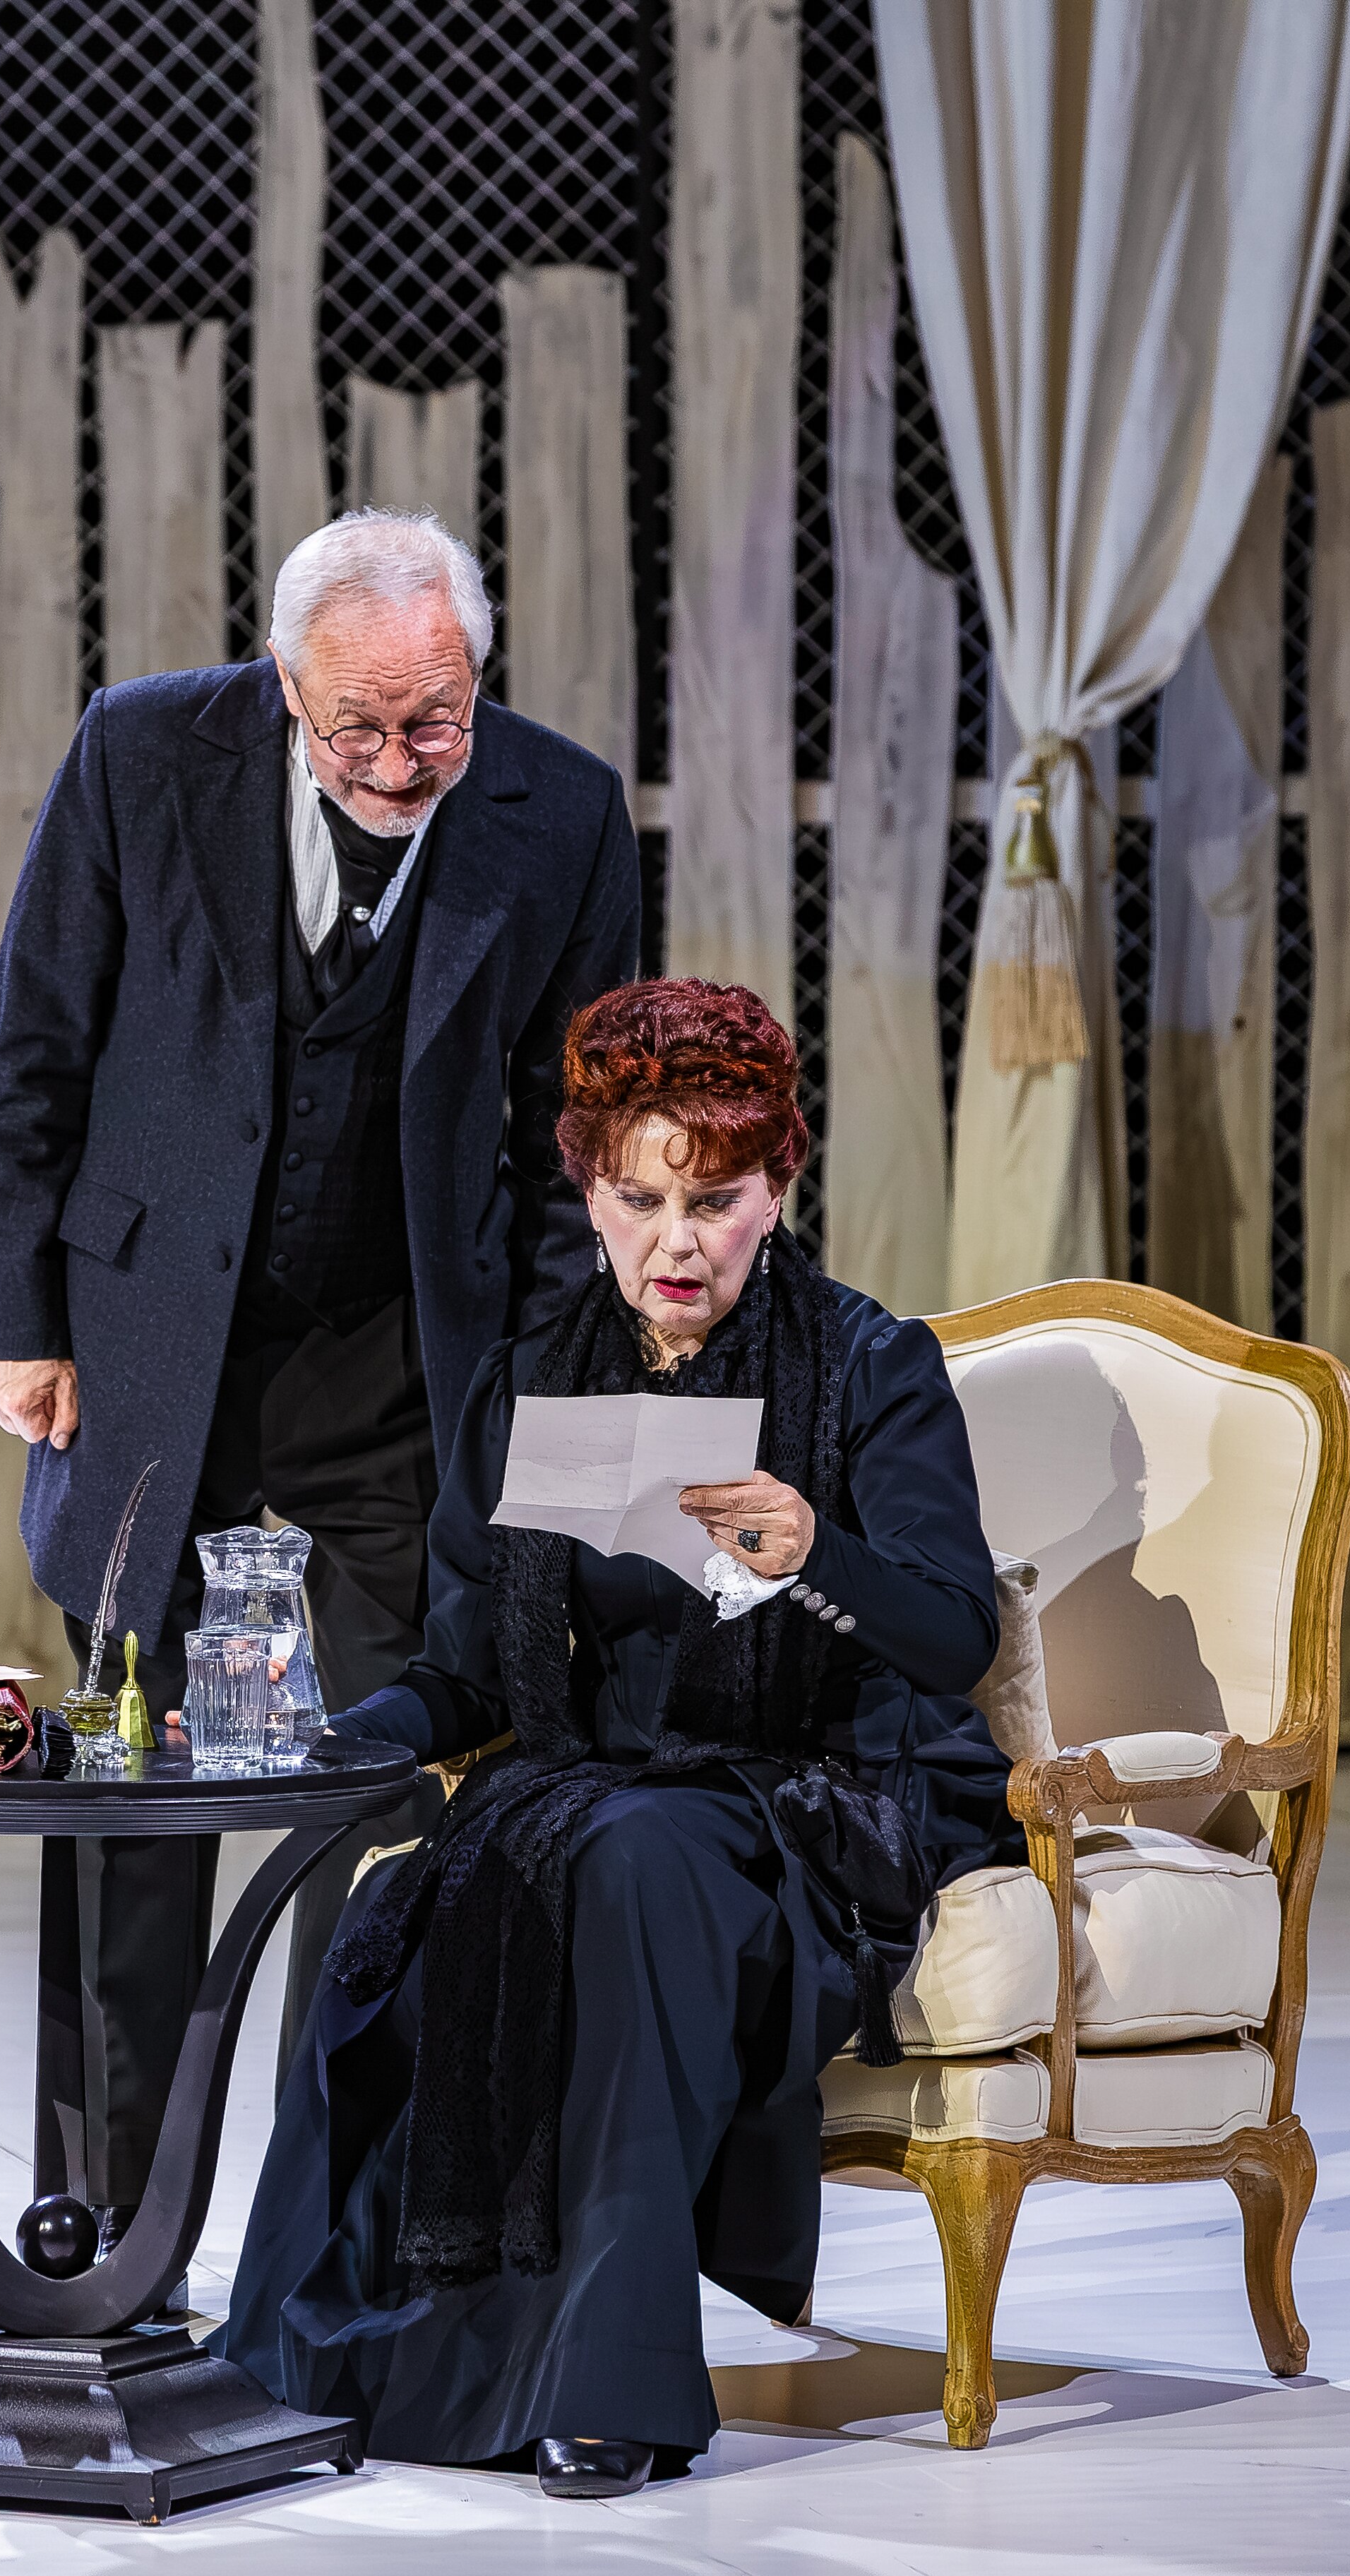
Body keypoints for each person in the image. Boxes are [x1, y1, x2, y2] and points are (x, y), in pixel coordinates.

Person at [218, 976, 1023, 2497]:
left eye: (714, 1202)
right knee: (407, 1903)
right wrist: (347, 1740)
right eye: (642, 1200)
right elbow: (467, 1665)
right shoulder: (536, 1380)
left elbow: (952, 1636)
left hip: (817, 1799)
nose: (677, 1243)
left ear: (776, 1190)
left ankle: (610, 2382)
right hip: (600, 1790)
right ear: (589, 1193)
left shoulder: (867, 1367)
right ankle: (331, 2356)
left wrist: (817, 1551)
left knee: (633, 1859)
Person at [0, 510, 640, 2267]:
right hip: (150, 1344)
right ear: (283, 687)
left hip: (397, 1361)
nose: (400, 765)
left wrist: (542, 1426)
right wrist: (18, 1318)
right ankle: (105, 2236)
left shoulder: (561, 813)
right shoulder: (139, 751)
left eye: (437, 722)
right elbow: (34, 1044)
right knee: (130, 1793)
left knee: (387, 1791)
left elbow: (573, 1156)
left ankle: (339, 2235)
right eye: (360, 729)